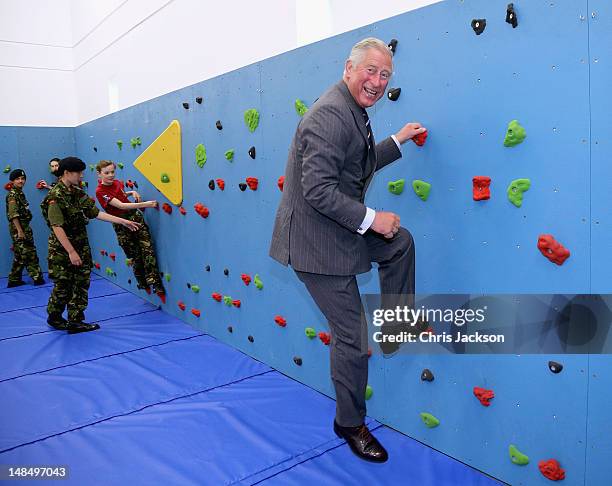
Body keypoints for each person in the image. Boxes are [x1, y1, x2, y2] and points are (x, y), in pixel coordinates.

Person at [269, 37, 427, 463]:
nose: (377, 82)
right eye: (370, 71)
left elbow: (355, 161)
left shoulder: (352, 109)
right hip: (316, 246)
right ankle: (350, 423)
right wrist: (373, 218)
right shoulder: (330, 115)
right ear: (348, 68)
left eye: (385, 75)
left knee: (401, 243)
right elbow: (318, 188)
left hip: (338, 227)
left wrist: (397, 140)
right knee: (353, 340)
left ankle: (399, 325)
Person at [41, 157, 141, 333]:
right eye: (78, 172)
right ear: (66, 173)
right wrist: (71, 252)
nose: (81, 175)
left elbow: (95, 213)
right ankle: (55, 317)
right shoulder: (55, 197)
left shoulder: (77, 192)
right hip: (63, 249)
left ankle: (74, 320)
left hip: (80, 245)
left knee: (80, 282)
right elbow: (57, 227)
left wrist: (122, 221)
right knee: (64, 285)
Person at [95, 160, 165, 298]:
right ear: (99, 174)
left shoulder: (118, 183)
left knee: (148, 249)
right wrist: (147, 204)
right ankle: (142, 282)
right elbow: (120, 205)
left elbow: (120, 194)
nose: (110, 175)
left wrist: (132, 192)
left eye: (112, 172)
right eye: (106, 173)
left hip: (135, 218)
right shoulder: (100, 191)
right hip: (122, 224)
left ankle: (156, 284)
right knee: (135, 255)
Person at [5, 169, 44, 287]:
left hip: (24, 227)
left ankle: (14, 279)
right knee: (29, 253)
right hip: (19, 228)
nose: (21, 181)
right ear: (12, 181)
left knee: (19, 254)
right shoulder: (13, 195)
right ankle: (37, 278)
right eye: (17, 179)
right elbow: (13, 215)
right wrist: (20, 231)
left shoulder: (19, 193)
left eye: (22, 179)